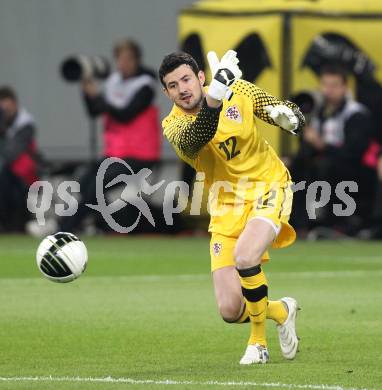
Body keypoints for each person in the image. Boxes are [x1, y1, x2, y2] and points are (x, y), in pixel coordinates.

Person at [159, 50, 305, 364]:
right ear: (166, 93)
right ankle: (281, 310)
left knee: (245, 257)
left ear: (200, 77)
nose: (182, 88)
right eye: (173, 85)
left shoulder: (239, 90)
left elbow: (288, 111)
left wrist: (289, 117)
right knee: (229, 309)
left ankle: (258, 344)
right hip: (225, 204)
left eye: (186, 79)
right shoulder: (172, 125)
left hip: (268, 185)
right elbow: (197, 137)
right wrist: (214, 97)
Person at [28, 39, 161, 235]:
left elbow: (126, 114)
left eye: (127, 59)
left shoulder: (145, 85)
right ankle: (99, 224)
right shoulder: (114, 82)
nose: (122, 64)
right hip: (115, 153)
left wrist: (99, 97)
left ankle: (63, 228)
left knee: (97, 186)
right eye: (119, 59)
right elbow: (95, 111)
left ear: (136, 61)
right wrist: (87, 90)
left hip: (140, 154)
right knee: (84, 183)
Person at [290, 64, 374, 235]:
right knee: (293, 168)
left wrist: (321, 145)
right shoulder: (317, 113)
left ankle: (331, 222)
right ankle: (298, 224)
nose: (328, 91)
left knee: (327, 167)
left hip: (351, 170)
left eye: (334, 85)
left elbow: (354, 153)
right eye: (325, 85)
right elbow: (306, 150)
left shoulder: (356, 114)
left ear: (344, 87)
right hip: (320, 164)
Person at [0, 86, 38, 231]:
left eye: (7, 110)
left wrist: (2, 130)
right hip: (9, 174)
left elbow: (11, 153)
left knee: (8, 180)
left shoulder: (26, 124)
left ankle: (15, 227)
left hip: (26, 175)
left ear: (15, 104)